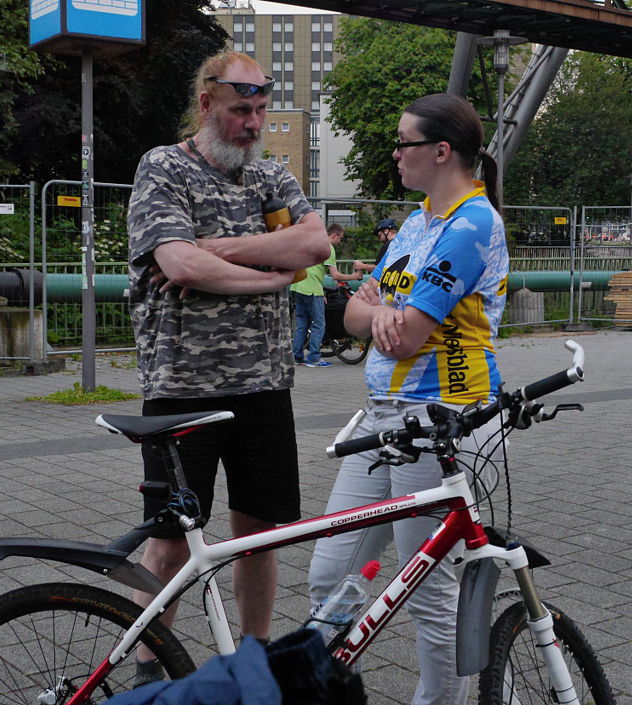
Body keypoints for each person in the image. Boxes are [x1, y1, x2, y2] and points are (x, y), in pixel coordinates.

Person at [127, 50, 330, 685]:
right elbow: (182, 266)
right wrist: (273, 278)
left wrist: (229, 251)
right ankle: (145, 671)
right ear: (206, 103)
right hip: (182, 391)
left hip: (266, 387)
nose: (252, 123)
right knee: (167, 545)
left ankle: (253, 661)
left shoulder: (271, 178)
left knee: (259, 535)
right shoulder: (163, 168)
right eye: (240, 110)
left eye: (261, 111)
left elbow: (315, 244)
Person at [308, 94, 509, 705]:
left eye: (404, 143)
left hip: (440, 422)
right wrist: (375, 313)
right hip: (381, 420)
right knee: (329, 576)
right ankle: (329, 688)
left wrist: (378, 312)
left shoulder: (473, 224)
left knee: (426, 592)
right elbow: (352, 313)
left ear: (441, 151)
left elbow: (408, 335)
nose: (395, 153)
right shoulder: (418, 221)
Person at [291, 223, 364, 368]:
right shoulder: (328, 248)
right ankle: (314, 358)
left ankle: (297, 357)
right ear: (334, 235)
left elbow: (312, 269)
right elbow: (335, 275)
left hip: (297, 286)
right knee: (319, 324)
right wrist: (354, 276)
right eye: (341, 239)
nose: (340, 242)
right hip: (312, 290)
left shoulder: (313, 243)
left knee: (302, 324)